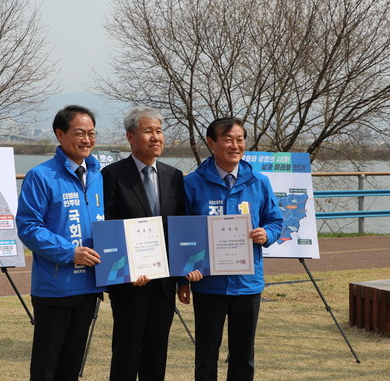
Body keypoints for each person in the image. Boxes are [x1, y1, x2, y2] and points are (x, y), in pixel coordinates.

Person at [178, 117, 283, 381]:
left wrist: (266, 234)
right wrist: (184, 274)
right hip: (209, 284)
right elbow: (181, 233)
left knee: (243, 356)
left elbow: (276, 221)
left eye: (240, 139)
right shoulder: (192, 183)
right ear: (211, 143)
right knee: (206, 355)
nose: (235, 145)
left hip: (248, 283)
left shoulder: (259, 181)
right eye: (228, 139)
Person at [102, 106, 202, 381]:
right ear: (131, 136)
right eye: (148, 131)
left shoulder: (173, 176)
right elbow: (109, 227)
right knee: (125, 353)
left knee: (157, 354)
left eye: (159, 131)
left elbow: (180, 228)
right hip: (130, 283)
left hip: (163, 283)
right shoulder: (112, 175)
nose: (156, 137)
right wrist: (126, 273)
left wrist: (183, 277)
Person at [16, 105, 104, 381]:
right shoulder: (41, 176)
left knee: (72, 367)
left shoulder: (99, 175)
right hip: (55, 289)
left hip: (90, 286)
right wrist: (70, 252)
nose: (87, 140)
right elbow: (28, 227)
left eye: (91, 134)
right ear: (60, 134)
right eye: (80, 133)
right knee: (46, 368)